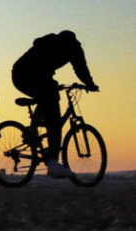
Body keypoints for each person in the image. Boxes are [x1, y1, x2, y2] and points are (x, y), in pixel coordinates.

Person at [11, 30, 98, 178]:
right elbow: (40, 64)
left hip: (40, 76)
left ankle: (36, 129)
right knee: (53, 113)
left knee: (50, 99)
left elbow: (80, 67)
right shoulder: (49, 43)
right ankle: (52, 161)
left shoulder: (74, 49)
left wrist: (90, 83)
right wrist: (51, 82)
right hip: (23, 74)